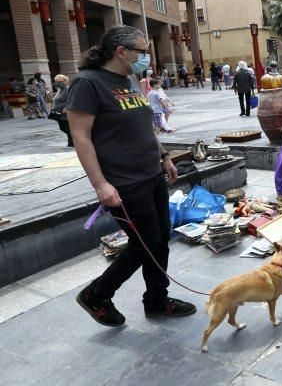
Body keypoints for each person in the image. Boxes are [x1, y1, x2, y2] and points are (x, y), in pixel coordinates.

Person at [66, 25, 195, 327]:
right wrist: (101, 185)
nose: (147, 57)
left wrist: (163, 156)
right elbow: (81, 137)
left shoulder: (129, 79)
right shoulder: (88, 83)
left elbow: (144, 126)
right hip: (123, 182)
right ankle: (97, 294)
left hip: (150, 173)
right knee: (144, 242)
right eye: (142, 51)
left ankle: (157, 300)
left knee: (161, 238)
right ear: (121, 52)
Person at [50, 74, 73, 146]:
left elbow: (72, 99)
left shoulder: (68, 89)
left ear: (65, 81)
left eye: (60, 81)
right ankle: (72, 141)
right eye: (57, 82)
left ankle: (71, 142)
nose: (58, 83)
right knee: (62, 128)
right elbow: (56, 99)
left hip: (65, 113)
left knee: (67, 128)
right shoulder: (59, 90)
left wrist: (66, 108)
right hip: (58, 113)